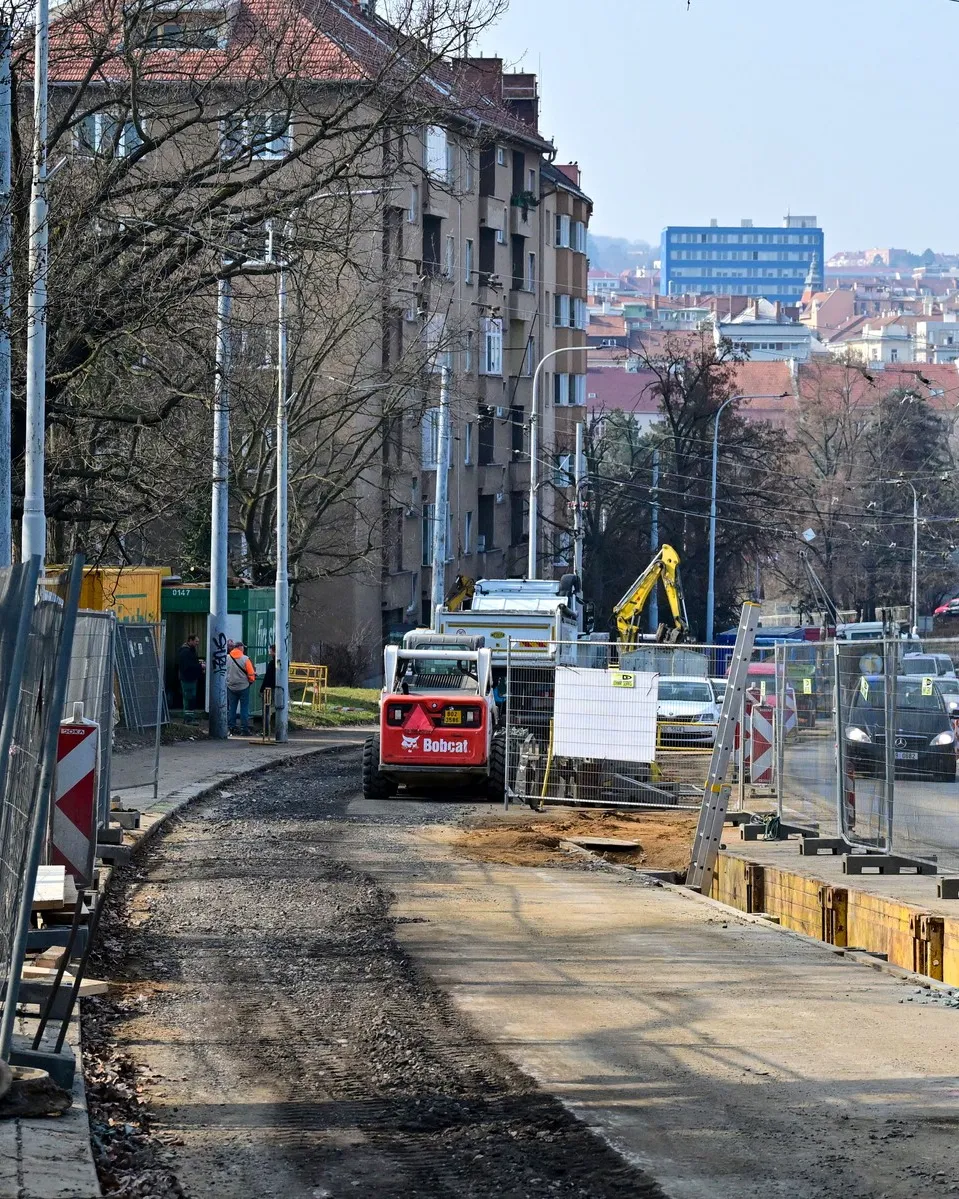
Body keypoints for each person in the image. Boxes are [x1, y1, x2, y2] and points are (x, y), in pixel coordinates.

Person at [226, 640, 256, 735]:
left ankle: (231, 727)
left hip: (231, 687)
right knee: (244, 708)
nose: (243, 649)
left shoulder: (227, 658)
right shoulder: (245, 659)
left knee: (232, 708)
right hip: (243, 686)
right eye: (243, 647)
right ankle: (244, 729)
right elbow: (251, 674)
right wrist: (251, 681)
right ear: (240, 647)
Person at [177, 634, 203, 724]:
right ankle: (189, 718)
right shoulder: (186, 652)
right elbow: (187, 666)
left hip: (188, 678)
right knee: (189, 698)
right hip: (188, 678)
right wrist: (200, 666)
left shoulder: (187, 651)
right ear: (190, 640)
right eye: (196, 641)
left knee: (189, 698)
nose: (197, 643)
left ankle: (188, 718)